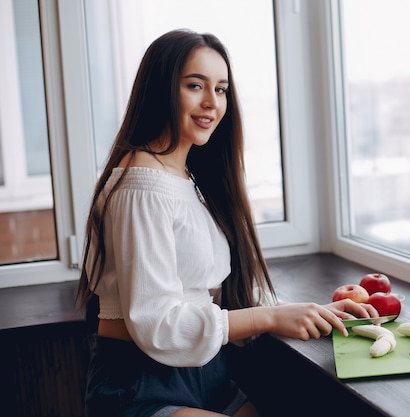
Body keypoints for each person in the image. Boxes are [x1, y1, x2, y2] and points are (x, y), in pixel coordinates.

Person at [75, 29, 376, 417]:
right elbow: (158, 324)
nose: (211, 103)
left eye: (221, 89)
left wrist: (304, 310)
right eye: (195, 85)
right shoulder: (143, 185)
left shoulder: (183, 178)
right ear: (161, 89)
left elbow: (200, 287)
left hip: (205, 373)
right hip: (141, 382)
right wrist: (270, 316)